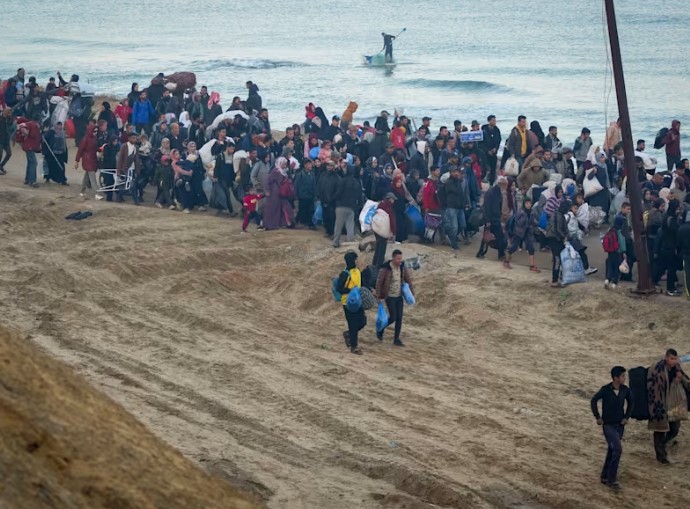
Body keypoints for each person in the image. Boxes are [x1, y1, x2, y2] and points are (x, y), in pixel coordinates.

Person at [590, 366, 633, 491]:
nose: (625, 378)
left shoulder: (625, 390)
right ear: (616, 378)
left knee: (612, 450)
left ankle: (604, 476)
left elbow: (631, 403)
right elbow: (594, 400)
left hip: (620, 425)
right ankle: (611, 479)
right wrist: (597, 417)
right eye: (623, 376)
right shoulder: (605, 389)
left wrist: (626, 417)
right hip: (608, 425)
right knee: (617, 450)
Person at [647, 349, 690, 464]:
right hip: (660, 404)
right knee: (660, 430)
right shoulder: (657, 369)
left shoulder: (677, 368)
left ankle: (662, 445)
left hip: (674, 404)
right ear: (666, 357)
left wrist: (680, 379)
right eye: (671, 358)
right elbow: (655, 386)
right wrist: (673, 382)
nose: (673, 361)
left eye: (675, 359)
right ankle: (661, 456)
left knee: (674, 429)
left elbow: (685, 382)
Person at [375, 249, 413, 347]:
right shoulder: (386, 268)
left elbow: (408, 279)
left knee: (399, 318)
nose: (400, 260)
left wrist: (411, 293)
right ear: (393, 258)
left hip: (399, 296)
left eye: (401, 258)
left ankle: (396, 339)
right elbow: (379, 282)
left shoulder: (402, 267)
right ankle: (381, 329)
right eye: (398, 258)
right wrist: (378, 296)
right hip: (390, 297)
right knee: (393, 317)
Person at [337, 251, 366, 355]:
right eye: (356, 259)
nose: (358, 261)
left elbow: (361, 283)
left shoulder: (357, 271)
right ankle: (354, 346)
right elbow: (339, 288)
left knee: (363, 321)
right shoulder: (344, 274)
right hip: (348, 303)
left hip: (358, 301)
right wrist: (350, 291)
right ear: (352, 261)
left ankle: (349, 334)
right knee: (353, 324)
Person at [438, 166, 470, 251]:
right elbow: (455, 191)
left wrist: (465, 203)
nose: (457, 173)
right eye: (454, 172)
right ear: (451, 173)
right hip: (451, 207)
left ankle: (451, 235)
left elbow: (462, 194)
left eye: (457, 172)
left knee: (463, 225)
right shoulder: (449, 182)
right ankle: (454, 245)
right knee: (454, 226)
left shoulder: (459, 181)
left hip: (460, 207)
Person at [505, 197, 540, 272]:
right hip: (518, 232)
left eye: (530, 203)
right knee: (514, 247)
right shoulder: (520, 212)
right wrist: (525, 218)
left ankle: (532, 266)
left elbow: (532, 222)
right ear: (524, 204)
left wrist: (536, 224)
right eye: (527, 203)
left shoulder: (531, 212)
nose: (528, 205)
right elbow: (518, 223)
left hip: (527, 232)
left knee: (531, 247)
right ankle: (506, 261)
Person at [332, 166, 362, 248]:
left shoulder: (343, 180)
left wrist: (333, 199)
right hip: (351, 207)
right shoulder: (357, 182)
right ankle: (350, 243)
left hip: (341, 206)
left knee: (338, 225)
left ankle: (336, 242)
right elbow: (360, 196)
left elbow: (338, 192)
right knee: (350, 225)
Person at [263, 157, 295, 230]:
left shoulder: (284, 171)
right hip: (274, 193)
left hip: (282, 193)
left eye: (285, 164)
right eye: (283, 164)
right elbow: (268, 181)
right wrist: (267, 191)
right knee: (274, 209)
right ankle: (271, 224)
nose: (284, 166)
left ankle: (287, 222)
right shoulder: (275, 171)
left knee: (286, 207)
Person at [545, 200, 570, 287]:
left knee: (558, 259)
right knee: (557, 259)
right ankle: (555, 280)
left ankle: (558, 278)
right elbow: (557, 230)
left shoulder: (558, 214)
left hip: (555, 239)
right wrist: (564, 237)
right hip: (554, 239)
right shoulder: (558, 216)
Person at [75, 122, 102, 199]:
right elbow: (80, 150)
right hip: (87, 159)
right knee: (92, 177)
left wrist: (100, 149)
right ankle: (97, 193)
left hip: (92, 159)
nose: (95, 133)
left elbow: (95, 148)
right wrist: (77, 161)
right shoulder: (85, 139)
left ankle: (82, 191)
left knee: (87, 177)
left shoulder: (94, 138)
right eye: (94, 131)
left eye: (97, 131)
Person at [116, 132, 141, 205]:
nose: (134, 139)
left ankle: (120, 196)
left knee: (131, 185)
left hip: (132, 169)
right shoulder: (124, 146)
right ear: (129, 138)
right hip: (125, 169)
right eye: (133, 138)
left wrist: (137, 170)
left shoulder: (136, 147)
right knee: (130, 185)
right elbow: (120, 159)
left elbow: (137, 160)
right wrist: (118, 170)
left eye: (135, 138)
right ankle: (135, 200)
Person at [373, 193, 397, 267]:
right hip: (384, 230)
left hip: (377, 229)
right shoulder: (389, 208)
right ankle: (379, 265)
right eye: (393, 199)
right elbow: (392, 221)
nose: (394, 201)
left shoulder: (380, 205)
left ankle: (374, 264)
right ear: (389, 199)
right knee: (382, 249)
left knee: (377, 247)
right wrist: (394, 233)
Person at [18, 117, 42, 187]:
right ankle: (32, 181)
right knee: (33, 163)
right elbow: (24, 129)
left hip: (27, 146)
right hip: (30, 146)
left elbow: (22, 127)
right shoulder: (34, 125)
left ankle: (28, 179)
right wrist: (27, 134)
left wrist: (26, 135)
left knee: (30, 162)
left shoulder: (29, 124)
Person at [677, 212, 690, 298]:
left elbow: (678, 243)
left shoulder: (681, 228)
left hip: (685, 254)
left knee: (688, 274)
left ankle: (689, 292)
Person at [0, 108, 16, 174]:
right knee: (0, 154)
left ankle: (1, 166)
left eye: (10, 113)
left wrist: (13, 138)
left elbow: (13, 129)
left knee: (9, 154)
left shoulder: (10, 119)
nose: (10, 114)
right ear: (4, 112)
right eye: (8, 113)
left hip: (6, 139)